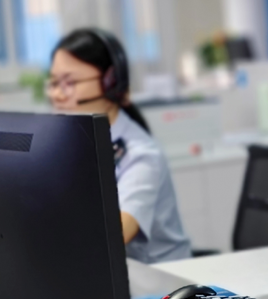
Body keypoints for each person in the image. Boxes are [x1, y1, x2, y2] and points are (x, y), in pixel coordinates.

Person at [48, 27, 192, 263]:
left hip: (158, 277)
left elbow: (113, 235)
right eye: (54, 82)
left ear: (110, 83)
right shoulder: (70, 144)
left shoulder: (141, 155)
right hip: (103, 273)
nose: (57, 94)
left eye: (69, 82)